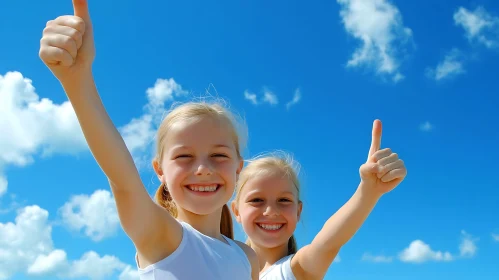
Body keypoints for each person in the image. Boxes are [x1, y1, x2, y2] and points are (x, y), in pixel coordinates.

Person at [38, 0, 259, 279]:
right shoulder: (162, 236)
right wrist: (76, 80)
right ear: (160, 171)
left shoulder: (247, 257)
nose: (203, 168)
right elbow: (123, 182)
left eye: (218, 155)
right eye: (184, 156)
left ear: (238, 168)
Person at [231, 120, 407, 280]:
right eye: (256, 200)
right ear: (236, 211)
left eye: (284, 200)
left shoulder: (296, 270)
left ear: (298, 211)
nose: (271, 211)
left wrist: (368, 191)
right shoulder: (223, 269)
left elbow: (328, 243)